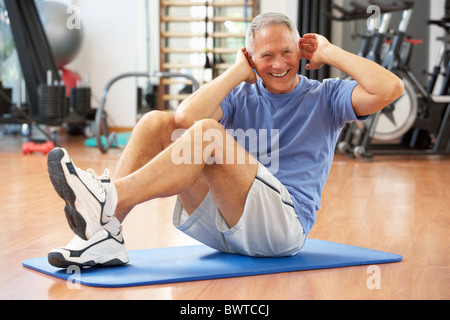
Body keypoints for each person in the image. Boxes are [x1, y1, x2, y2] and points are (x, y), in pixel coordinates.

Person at [47, 12, 404, 268]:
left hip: (281, 229)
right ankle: (104, 235)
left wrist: (329, 53)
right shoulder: (241, 93)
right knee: (157, 122)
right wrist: (237, 71)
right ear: (252, 58)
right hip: (223, 228)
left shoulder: (327, 96)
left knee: (208, 133)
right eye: (266, 55)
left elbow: (391, 89)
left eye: (286, 52)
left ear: (301, 51)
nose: (278, 63)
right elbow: (184, 117)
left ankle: (105, 196)